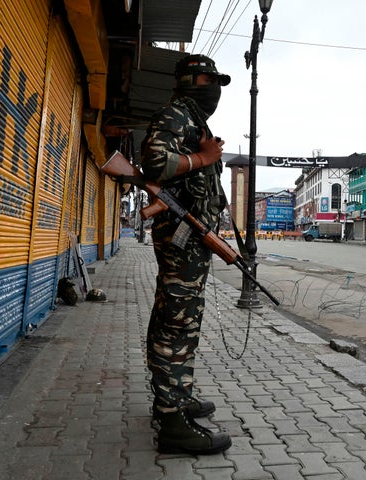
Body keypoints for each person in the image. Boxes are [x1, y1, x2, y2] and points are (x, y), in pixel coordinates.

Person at [139, 54, 231, 455]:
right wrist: (204, 159)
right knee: (177, 321)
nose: (216, 90)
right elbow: (155, 161)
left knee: (179, 318)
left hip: (192, 237)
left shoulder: (192, 118)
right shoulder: (176, 114)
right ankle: (172, 419)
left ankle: (177, 397)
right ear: (193, 81)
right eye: (211, 81)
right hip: (182, 237)